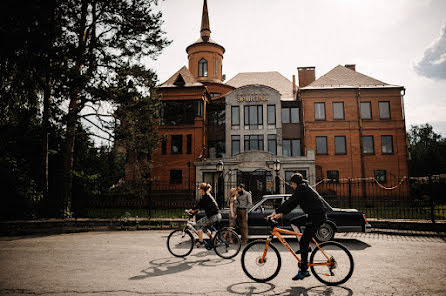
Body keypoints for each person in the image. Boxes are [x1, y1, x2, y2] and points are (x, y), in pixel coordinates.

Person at [267, 173, 327, 281]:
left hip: (316, 217)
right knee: (294, 222)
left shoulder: (301, 188)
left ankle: (304, 270)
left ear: (294, 183)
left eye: (292, 185)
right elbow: (293, 204)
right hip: (313, 215)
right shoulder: (303, 187)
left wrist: (276, 211)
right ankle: (305, 246)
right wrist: (280, 214)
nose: (292, 186)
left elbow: (291, 201)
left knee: (304, 241)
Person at [186, 183, 221, 248]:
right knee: (205, 228)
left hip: (213, 216)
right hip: (215, 215)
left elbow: (199, 205)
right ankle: (214, 239)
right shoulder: (207, 195)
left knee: (198, 224)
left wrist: (190, 210)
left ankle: (201, 242)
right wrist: (192, 210)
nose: (199, 190)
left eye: (199, 189)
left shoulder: (206, 196)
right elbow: (200, 206)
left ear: (202, 190)